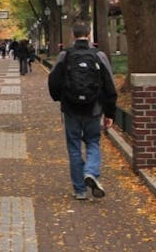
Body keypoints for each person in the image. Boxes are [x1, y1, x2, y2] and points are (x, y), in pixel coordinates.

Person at [47, 22, 117, 200]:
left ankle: (79, 190)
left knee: (74, 146)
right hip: (94, 108)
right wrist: (110, 113)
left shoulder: (65, 55)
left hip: (71, 108)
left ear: (73, 35)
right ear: (89, 33)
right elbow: (110, 85)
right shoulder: (99, 55)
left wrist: (60, 98)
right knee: (93, 142)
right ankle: (91, 171)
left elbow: (53, 80)